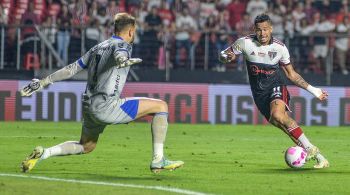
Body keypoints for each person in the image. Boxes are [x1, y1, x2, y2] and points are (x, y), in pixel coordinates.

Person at [20, 13, 184, 173]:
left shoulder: (98, 47)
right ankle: (158, 159)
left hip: (89, 105)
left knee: (87, 146)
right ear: (130, 31)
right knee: (161, 106)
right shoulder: (123, 45)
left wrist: (43, 82)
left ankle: (44, 153)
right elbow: (120, 52)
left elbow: (71, 69)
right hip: (107, 106)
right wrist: (122, 59)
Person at [219, 14, 329, 169]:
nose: (262, 33)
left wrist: (313, 90)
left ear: (271, 29)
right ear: (254, 30)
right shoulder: (244, 43)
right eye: (259, 30)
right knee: (283, 125)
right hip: (259, 95)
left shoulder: (280, 48)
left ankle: (310, 149)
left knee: (278, 114)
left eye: (265, 29)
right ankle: (320, 158)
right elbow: (224, 54)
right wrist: (225, 57)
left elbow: (292, 74)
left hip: (277, 86)